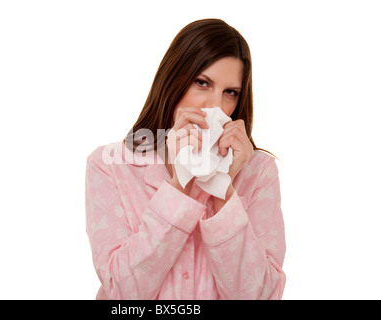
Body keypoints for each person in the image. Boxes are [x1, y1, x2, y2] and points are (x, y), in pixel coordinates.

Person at [85, 18, 286, 300]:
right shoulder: (109, 166)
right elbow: (122, 292)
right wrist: (179, 182)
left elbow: (260, 295)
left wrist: (223, 187)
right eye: (202, 83)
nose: (216, 106)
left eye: (230, 92)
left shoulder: (259, 171)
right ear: (174, 80)